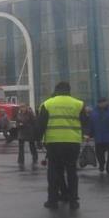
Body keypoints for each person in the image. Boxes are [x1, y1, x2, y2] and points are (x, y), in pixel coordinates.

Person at [36, 81, 86, 210]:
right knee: (71, 172)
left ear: (56, 90)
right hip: (73, 143)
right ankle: (73, 201)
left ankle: (52, 200)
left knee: (54, 172)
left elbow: (41, 125)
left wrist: (38, 140)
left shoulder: (47, 104)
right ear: (69, 90)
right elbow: (86, 122)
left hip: (53, 143)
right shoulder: (78, 104)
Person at [89, 97, 109, 174]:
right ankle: (101, 164)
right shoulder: (94, 113)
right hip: (99, 139)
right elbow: (91, 125)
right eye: (100, 102)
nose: (102, 104)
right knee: (99, 155)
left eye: (103, 102)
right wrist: (89, 134)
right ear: (98, 103)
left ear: (107, 102)